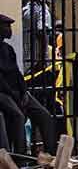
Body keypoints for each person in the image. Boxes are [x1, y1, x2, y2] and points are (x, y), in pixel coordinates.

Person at [0, 14, 58, 156]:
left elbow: (17, 74)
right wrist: (14, 95)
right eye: (6, 26)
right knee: (18, 116)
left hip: (17, 91)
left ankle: (51, 153)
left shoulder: (8, 49)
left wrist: (24, 92)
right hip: (3, 92)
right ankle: (21, 157)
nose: (10, 29)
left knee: (44, 115)